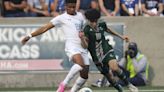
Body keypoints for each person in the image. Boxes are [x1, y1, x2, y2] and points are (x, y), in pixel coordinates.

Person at [21, 0, 90, 92]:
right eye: (70, 7)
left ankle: (73, 91)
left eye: (73, 7)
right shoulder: (61, 18)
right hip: (72, 46)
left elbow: (85, 30)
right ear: (66, 7)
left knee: (84, 75)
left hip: (82, 45)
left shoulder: (81, 16)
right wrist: (30, 35)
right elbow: (45, 27)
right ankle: (63, 84)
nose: (72, 9)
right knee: (80, 64)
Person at [79, 9, 138, 92]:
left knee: (114, 68)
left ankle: (129, 84)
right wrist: (82, 39)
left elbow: (108, 30)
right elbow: (85, 46)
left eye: (96, 21)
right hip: (96, 56)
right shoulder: (86, 29)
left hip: (106, 49)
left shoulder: (102, 24)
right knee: (109, 77)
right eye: (92, 21)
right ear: (88, 20)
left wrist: (121, 36)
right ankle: (120, 90)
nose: (95, 23)